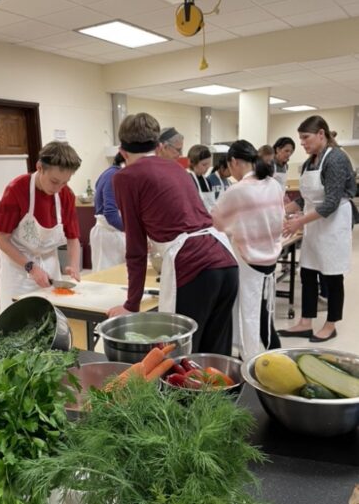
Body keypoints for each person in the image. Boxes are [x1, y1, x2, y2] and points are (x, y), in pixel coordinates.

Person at [108, 112, 239, 356]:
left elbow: (135, 247)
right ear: (158, 147)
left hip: (194, 266)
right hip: (225, 260)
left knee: (181, 357)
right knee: (214, 355)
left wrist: (131, 305)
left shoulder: (125, 177)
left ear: (123, 152)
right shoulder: (176, 169)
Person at [279, 116, 355, 342]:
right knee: (308, 273)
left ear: (321, 134)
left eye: (305, 137)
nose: (301, 143)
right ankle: (305, 322)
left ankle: (331, 325)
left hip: (333, 223)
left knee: (332, 275)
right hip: (315, 223)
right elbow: (306, 198)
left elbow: (331, 202)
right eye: (300, 138)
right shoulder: (309, 162)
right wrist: (282, 211)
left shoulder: (337, 159)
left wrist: (298, 222)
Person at [212, 140, 284, 360]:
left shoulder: (237, 191)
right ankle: (275, 354)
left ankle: (249, 363)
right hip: (270, 259)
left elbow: (215, 223)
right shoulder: (273, 184)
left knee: (248, 316)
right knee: (262, 312)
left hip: (248, 260)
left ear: (234, 161)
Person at [0, 141, 82, 310]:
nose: (59, 188)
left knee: (50, 315)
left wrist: (74, 265)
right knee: (18, 317)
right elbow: (1, 240)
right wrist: (31, 268)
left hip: (49, 264)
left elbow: (73, 238)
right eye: (54, 181)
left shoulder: (66, 195)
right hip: (18, 267)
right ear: (40, 167)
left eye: (65, 182)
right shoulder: (17, 190)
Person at [89, 152, 125, 272]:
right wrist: (134, 232)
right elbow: (111, 214)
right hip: (109, 235)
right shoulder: (114, 176)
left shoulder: (109, 173)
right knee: (108, 279)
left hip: (110, 234)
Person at [187, 144, 216, 212]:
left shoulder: (206, 181)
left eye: (209, 163)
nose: (207, 167)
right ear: (193, 163)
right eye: (204, 164)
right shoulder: (186, 180)